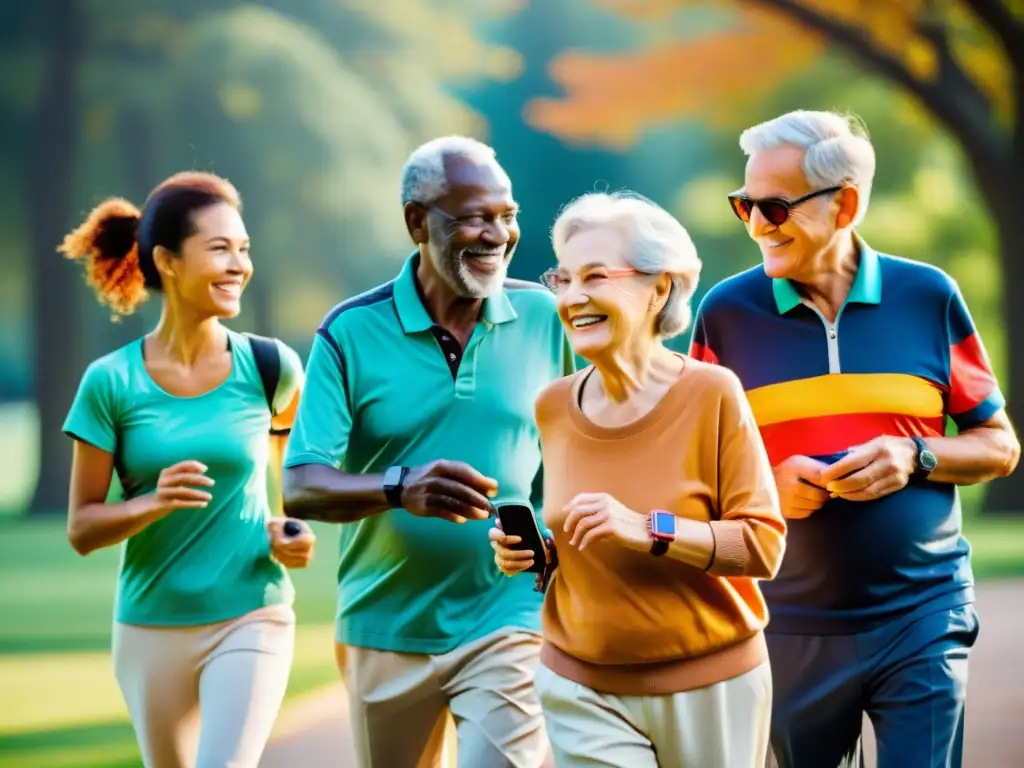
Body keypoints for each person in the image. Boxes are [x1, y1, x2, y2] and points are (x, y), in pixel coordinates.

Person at [689, 109, 1021, 768]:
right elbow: (691, 470)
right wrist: (766, 488)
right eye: (745, 205)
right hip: (785, 623)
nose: (757, 226)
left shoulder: (927, 296)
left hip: (923, 612)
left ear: (845, 205)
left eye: (776, 208)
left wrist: (915, 454)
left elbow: (999, 444)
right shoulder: (725, 315)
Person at [281, 136, 574, 768]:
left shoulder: (547, 317)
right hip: (384, 626)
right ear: (417, 221)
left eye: (507, 215)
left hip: (510, 613)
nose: (497, 233)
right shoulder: (350, 331)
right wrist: (399, 486)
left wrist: (554, 547)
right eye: (474, 216)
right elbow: (301, 484)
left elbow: (579, 449)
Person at [490, 191, 786, 767]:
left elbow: (762, 546)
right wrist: (539, 556)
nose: (573, 298)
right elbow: (584, 544)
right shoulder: (552, 406)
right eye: (564, 279)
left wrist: (648, 529)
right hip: (579, 685)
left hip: (711, 683)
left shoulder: (712, 393)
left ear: (658, 289)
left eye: (595, 277)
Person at [60, 171, 317, 768]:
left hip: (252, 612)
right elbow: (81, 528)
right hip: (151, 625)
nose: (239, 265)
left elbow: (293, 483)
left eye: (244, 249)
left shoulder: (271, 366)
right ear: (168, 262)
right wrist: (151, 502)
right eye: (220, 249)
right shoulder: (111, 382)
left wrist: (290, 531)